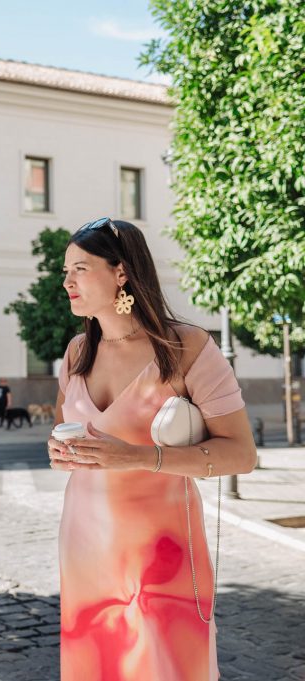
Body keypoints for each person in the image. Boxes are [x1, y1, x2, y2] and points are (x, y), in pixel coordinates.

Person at [47, 217, 257, 681]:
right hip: (85, 546)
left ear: (120, 272)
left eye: (80, 268)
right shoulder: (77, 352)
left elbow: (242, 454)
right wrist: (61, 454)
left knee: (167, 666)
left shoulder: (187, 347)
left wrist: (139, 457)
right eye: (66, 271)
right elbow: (69, 434)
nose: (66, 281)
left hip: (162, 554)